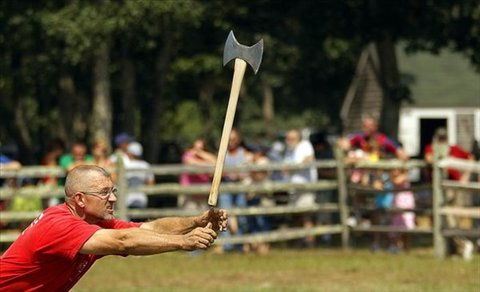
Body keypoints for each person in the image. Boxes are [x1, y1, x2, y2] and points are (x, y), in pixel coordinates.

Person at [0, 165, 227, 291]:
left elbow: (149, 229)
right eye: (104, 193)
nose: (113, 199)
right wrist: (184, 242)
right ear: (79, 199)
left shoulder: (95, 222)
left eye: (113, 191)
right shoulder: (58, 224)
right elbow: (123, 241)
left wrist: (197, 221)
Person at [217, 129, 252, 253]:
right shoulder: (222, 153)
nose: (231, 142)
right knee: (225, 216)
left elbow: (246, 171)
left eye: (233, 139)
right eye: (229, 139)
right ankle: (227, 246)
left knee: (241, 217)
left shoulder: (244, 153)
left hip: (240, 187)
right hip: (226, 187)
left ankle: (240, 245)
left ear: (238, 140)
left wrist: (236, 174)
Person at [283, 129, 318, 248]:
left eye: (292, 138)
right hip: (293, 188)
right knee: (297, 216)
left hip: (305, 187)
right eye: (288, 138)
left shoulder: (305, 145)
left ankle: (309, 243)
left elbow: (309, 159)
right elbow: (285, 169)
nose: (289, 141)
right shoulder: (289, 150)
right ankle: (300, 242)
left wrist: (295, 167)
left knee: (306, 216)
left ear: (298, 138)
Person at [338, 116, 408, 160]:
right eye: (365, 126)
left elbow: (401, 153)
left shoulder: (383, 140)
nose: (368, 129)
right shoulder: (359, 137)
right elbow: (344, 142)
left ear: (376, 127)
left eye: (370, 126)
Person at [179, 138, 216, 210]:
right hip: (189, 194)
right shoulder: (187, 155)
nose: (197, 150)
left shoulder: (205, 156)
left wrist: (201, 153)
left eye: (201, 148)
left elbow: (216, 162)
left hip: (202, 195)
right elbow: (192, 163)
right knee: (188, 218)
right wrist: (208, 164)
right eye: (196, 148)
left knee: (203, 218)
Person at [124, 141, 155, 209]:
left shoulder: (125, 165)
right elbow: (151, 184)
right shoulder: (145, 165)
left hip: (126, 200)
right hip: (142, 200)